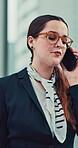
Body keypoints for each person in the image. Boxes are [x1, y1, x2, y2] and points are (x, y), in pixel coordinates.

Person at [0, 14, 78, 148]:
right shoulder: (6, 87)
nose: (59, 44)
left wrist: (74, 81)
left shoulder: (70, 89)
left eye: (64, 41)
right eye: (52, 37)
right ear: (31, 41)